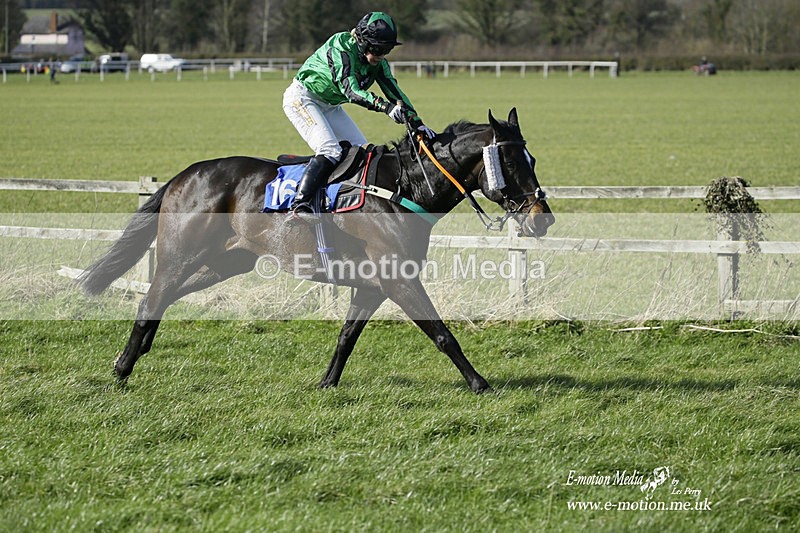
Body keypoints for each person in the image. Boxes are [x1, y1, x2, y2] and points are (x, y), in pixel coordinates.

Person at [282, 11, 435, 220]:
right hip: (302, 98)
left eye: (386, 50)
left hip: (330, 105)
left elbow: (394, 92)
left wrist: (417, 122)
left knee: (362, 152)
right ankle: (300, 205)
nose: (381, 55)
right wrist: (386, 108)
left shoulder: (379, 63)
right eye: (377, 49)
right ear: (362, 41)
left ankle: (345, 203)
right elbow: (351, 91)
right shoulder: (341, 47)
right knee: (330, 150)